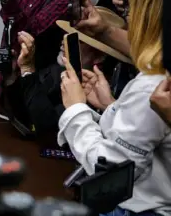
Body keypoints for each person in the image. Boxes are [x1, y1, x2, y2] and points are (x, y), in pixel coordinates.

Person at [58, 0, 171, 216]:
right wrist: (110, 107)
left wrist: (76, 109)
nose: (129, 17)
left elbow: (111, 169)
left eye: (133, 9)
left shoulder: (154, 87)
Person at [15, 7, 129, 136]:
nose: (64, 42)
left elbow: (49, 127)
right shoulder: (56, 73)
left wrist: (27, 68)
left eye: (76, 39)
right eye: (66, 34)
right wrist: (16, 72)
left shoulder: (100, 92)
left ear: (99, 56)